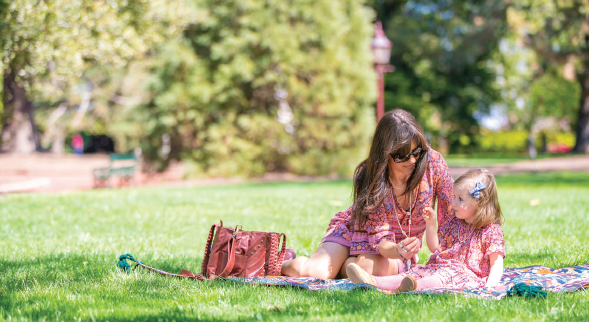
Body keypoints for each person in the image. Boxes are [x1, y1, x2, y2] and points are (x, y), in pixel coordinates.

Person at [281, 109, 454, 279]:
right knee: (312, 274)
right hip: (356, 231)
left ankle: (348, 266)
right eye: (402, 156)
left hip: (396, 252)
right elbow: (379, 239)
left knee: (367, 267)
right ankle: (282, 261)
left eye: (416, 152)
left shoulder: (434, 164)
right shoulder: (370, 175)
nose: (412, 161)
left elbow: (452, 214)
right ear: (385, 153)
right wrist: (397, 249)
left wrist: (402, 250)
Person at [346, 168, 505, 292]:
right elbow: (435, 248)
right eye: (454, 196)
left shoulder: (491, 231)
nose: (454, 203)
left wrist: (489, 289)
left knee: (440, 277)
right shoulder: (454, 223)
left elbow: (496, 264)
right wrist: (431, 224)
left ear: (480, 203)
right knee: (416, 272)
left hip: (465, 275)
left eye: (460, 199)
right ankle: (372, 281)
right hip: (440, 267)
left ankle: (414, 287)